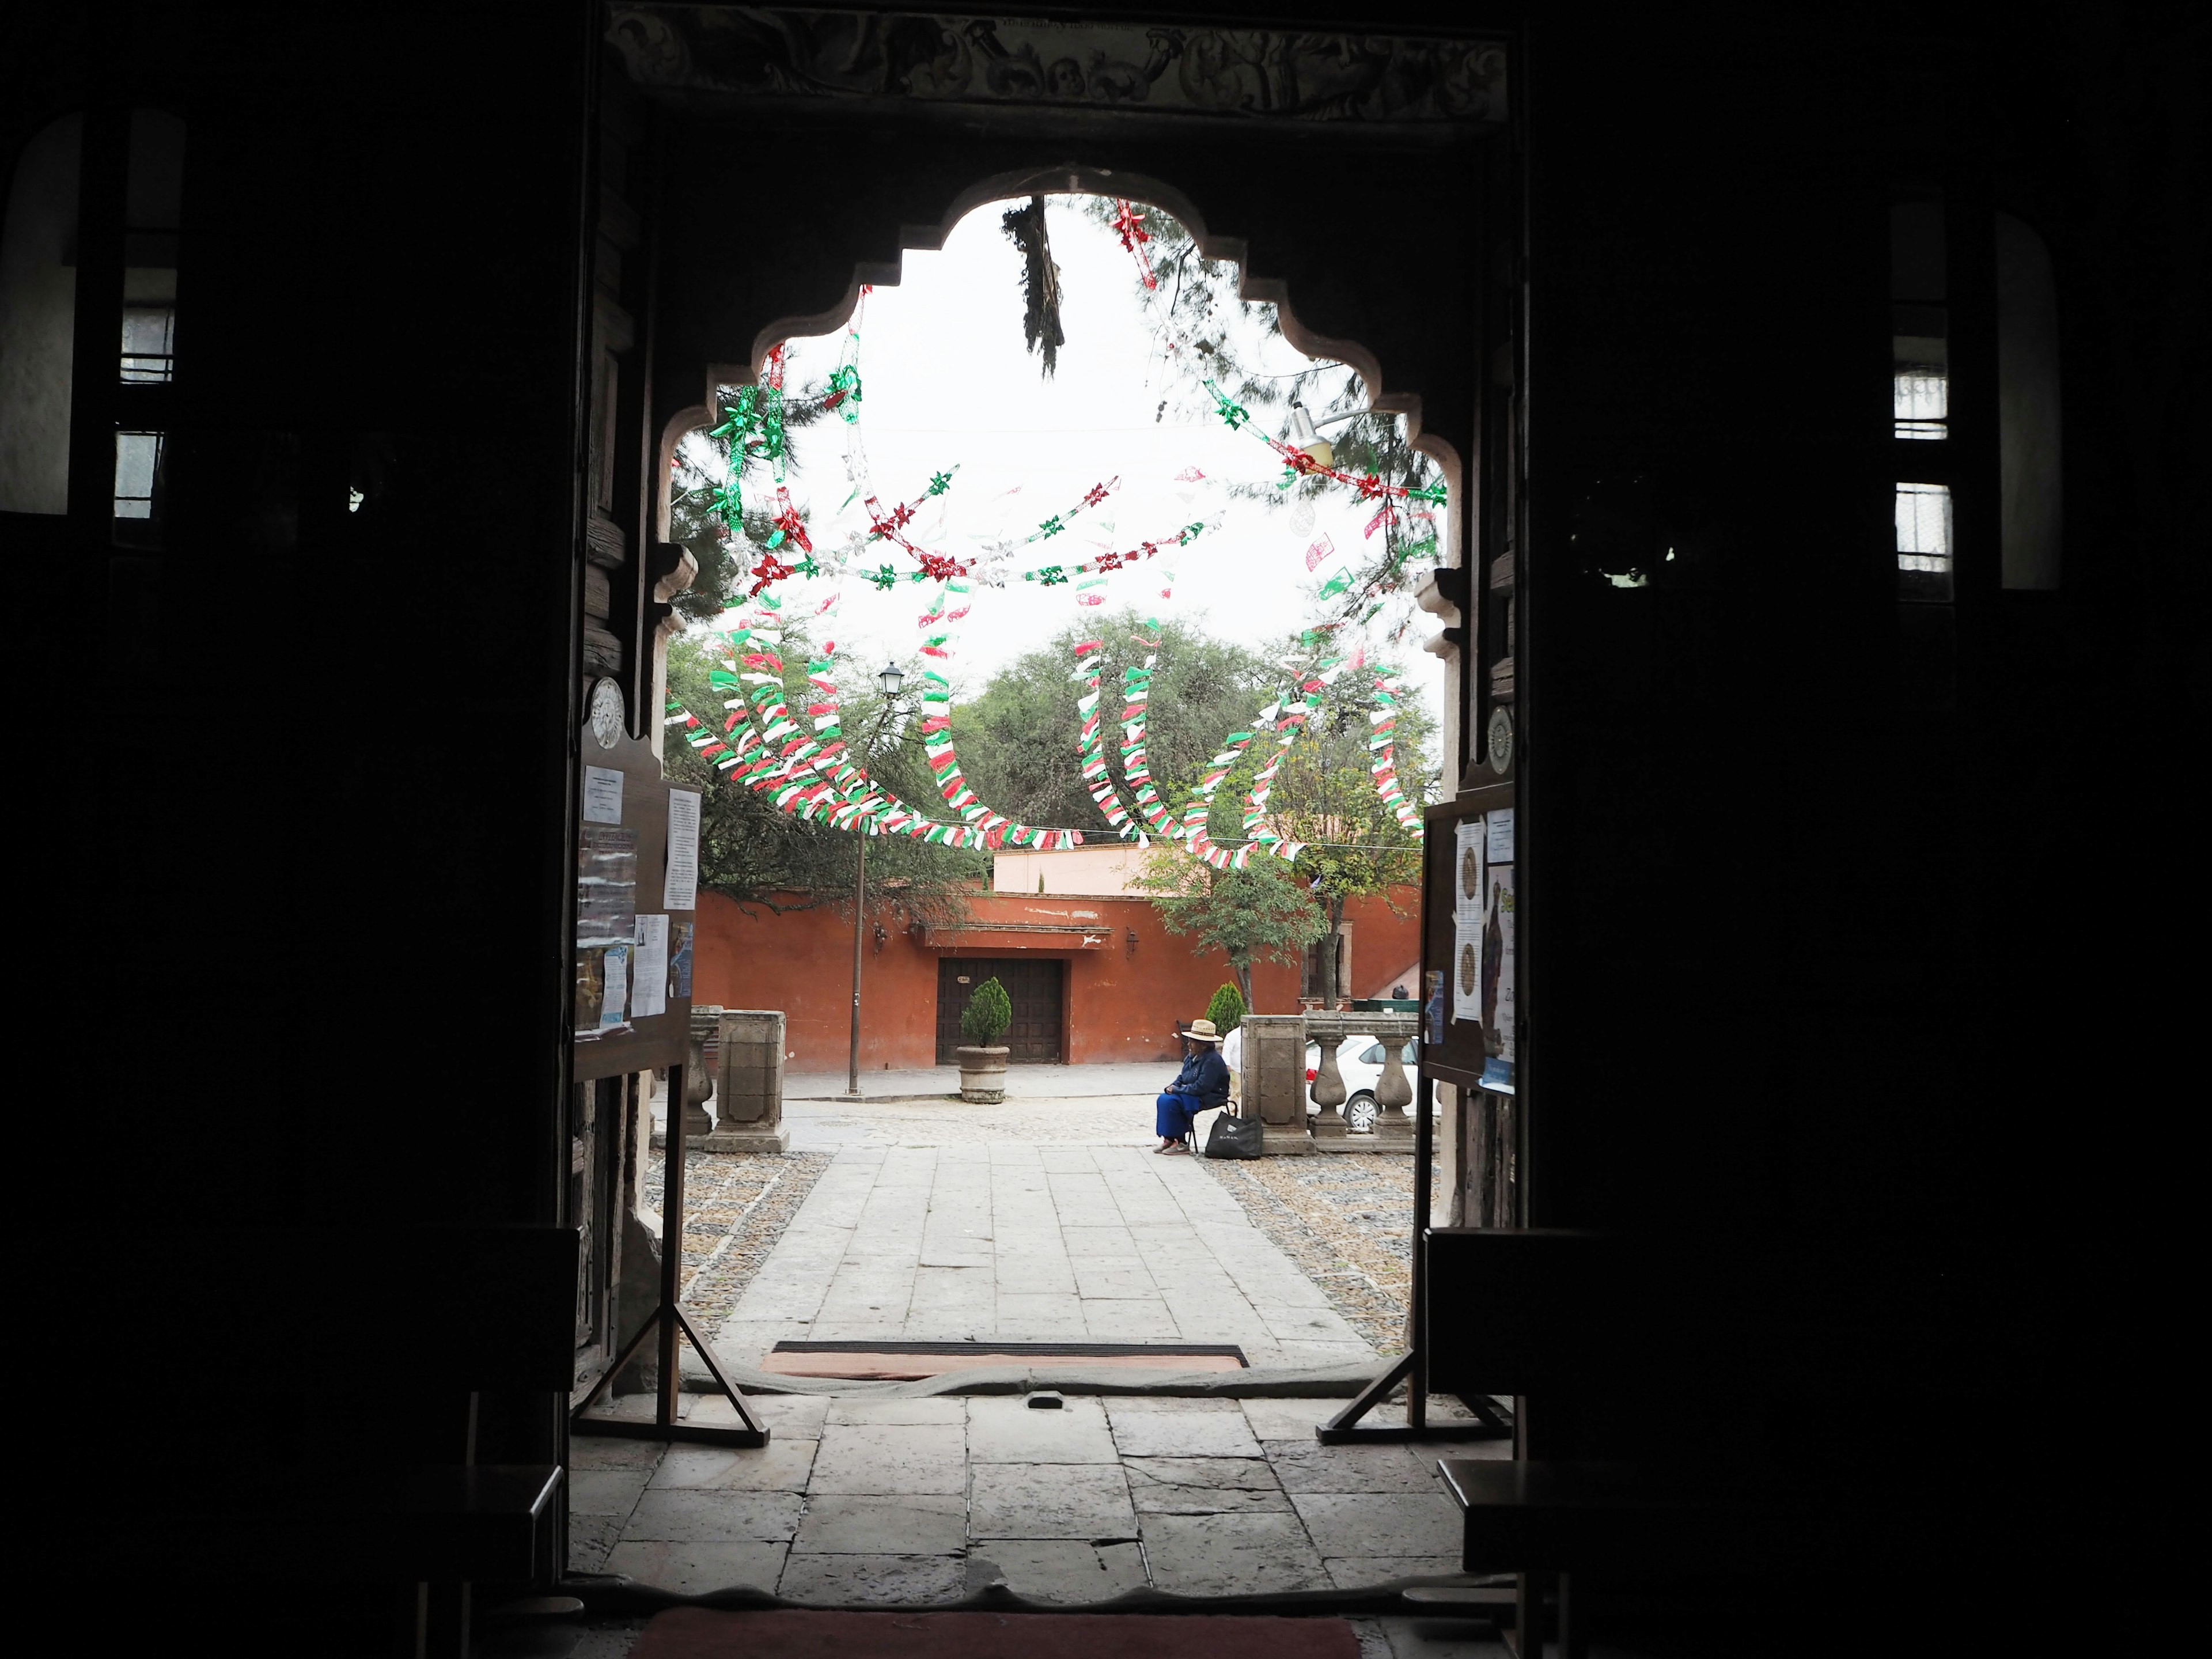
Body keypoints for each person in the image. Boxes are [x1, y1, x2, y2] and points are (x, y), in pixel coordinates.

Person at [1154, 1018, 1230, 1154]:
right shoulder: (1191, 1057)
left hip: (1210, 1095)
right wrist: (1173, 1086)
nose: (1189, 1044)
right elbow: (1183, 1077)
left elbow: (1202, 1087)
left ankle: (1182, 1142)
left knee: (1174, 1102)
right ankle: (1170, 1139)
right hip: (1191, 1092)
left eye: (1192, 1042)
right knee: (1164, 1099)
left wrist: (1177, 1090)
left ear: (1203, 1045)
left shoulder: (1212, 1060)